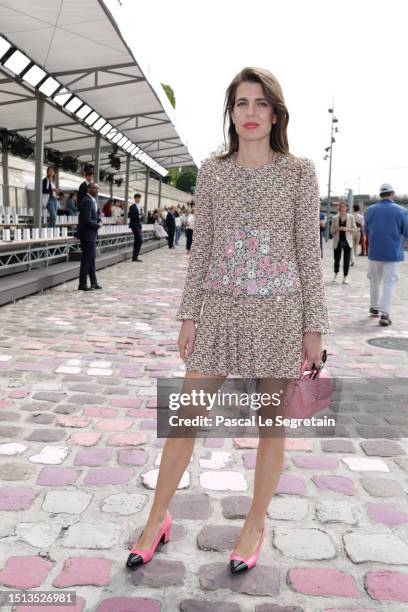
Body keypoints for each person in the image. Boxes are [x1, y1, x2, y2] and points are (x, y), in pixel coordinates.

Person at [126, 67, 329, 574]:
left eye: (261, 103)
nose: (251, 113)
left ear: (276, 112)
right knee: (185, 420)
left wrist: (314, 328)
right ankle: (156, 520)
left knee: (270, 425)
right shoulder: (213, 171)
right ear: (231, 113)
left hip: (280, 313)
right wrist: (188, 314)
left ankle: (254, 524)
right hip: (218, 310)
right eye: (242, 103)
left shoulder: (300, 172)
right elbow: (203, 249)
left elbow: (309, 252)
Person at [365, 182, 408, 326]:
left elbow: (366, 230)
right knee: (389, 283)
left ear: (380, 194)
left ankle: (374, 307)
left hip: (374, 251)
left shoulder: (370, 210)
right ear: (392, 194)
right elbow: (406, 231)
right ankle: (385, 313)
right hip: (393, 252)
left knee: (374, 280)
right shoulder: (401, 210)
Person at [77, 182, 102, 291]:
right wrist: (97, 225)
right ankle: (82, 284)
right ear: (89, 189)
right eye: (95, 188)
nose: (97, 190)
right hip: (87, 235)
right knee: (86, 260)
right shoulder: (87, 201)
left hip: (91, 234)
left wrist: (99, 220)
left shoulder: (92, 200)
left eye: (98, 188)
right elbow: (86, 219)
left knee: (91, 260)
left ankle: (94, 282)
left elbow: (95, 215)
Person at [330, 201, 357, 284]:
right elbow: (331, 231)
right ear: (339, 208)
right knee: (336, 259)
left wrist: (347, 229)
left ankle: (345, 277)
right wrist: (337, 229)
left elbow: (354, 229)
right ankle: (336, 274)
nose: (342, 208)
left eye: (344, 206)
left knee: (346, 260)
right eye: (341, 206)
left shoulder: (351, 217)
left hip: (347, 241)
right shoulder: (335, 218)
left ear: (347, 208)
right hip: (337, 241)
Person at [129, 193, 143, 262]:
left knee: (137, 241)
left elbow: (140, 218)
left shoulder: (139, 206)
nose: (139, 199)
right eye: (137, 198)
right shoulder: (132, 206)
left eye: (139, 198)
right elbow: (131, 216)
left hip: (138, 225)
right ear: (135, 198)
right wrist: (139, 215)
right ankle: (135, 257)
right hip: (134, 225)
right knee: (139, 240)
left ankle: (135, 257)